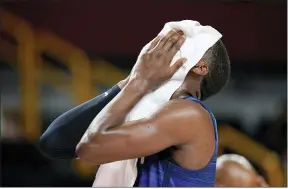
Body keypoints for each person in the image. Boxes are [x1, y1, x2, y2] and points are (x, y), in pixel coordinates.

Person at [40, 29, 231, 187]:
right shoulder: (146, 107)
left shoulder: (190, 114)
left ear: (200, 67)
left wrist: (139, 82)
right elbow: (54, 142)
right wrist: (130, 82)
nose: (159, 49)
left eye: (175, 44)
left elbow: (90, 148)